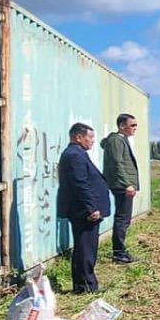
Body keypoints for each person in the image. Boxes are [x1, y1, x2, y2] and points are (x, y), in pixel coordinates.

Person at [57, 122, 111, 293]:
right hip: (84, 212)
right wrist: (91, 208)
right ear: (78, 137)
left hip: (84, 209)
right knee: (85, 249)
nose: (93, 141)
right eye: (90, 137)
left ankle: (84, 284)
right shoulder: (74, 155)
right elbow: (80, 184)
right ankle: (86, 286)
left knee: (84, 247)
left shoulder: (77, 153)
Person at [102, 113, 140, 264]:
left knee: (124, 219)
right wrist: (127, 184)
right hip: (122, 186)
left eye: (136, 125)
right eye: (132, 125)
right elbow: (117, 164)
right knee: (122, 219)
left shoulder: (120, 140)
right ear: (122, 126)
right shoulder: (116, 141)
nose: (135, 128)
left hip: (123, 185)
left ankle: (120, 251)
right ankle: (119, 253)